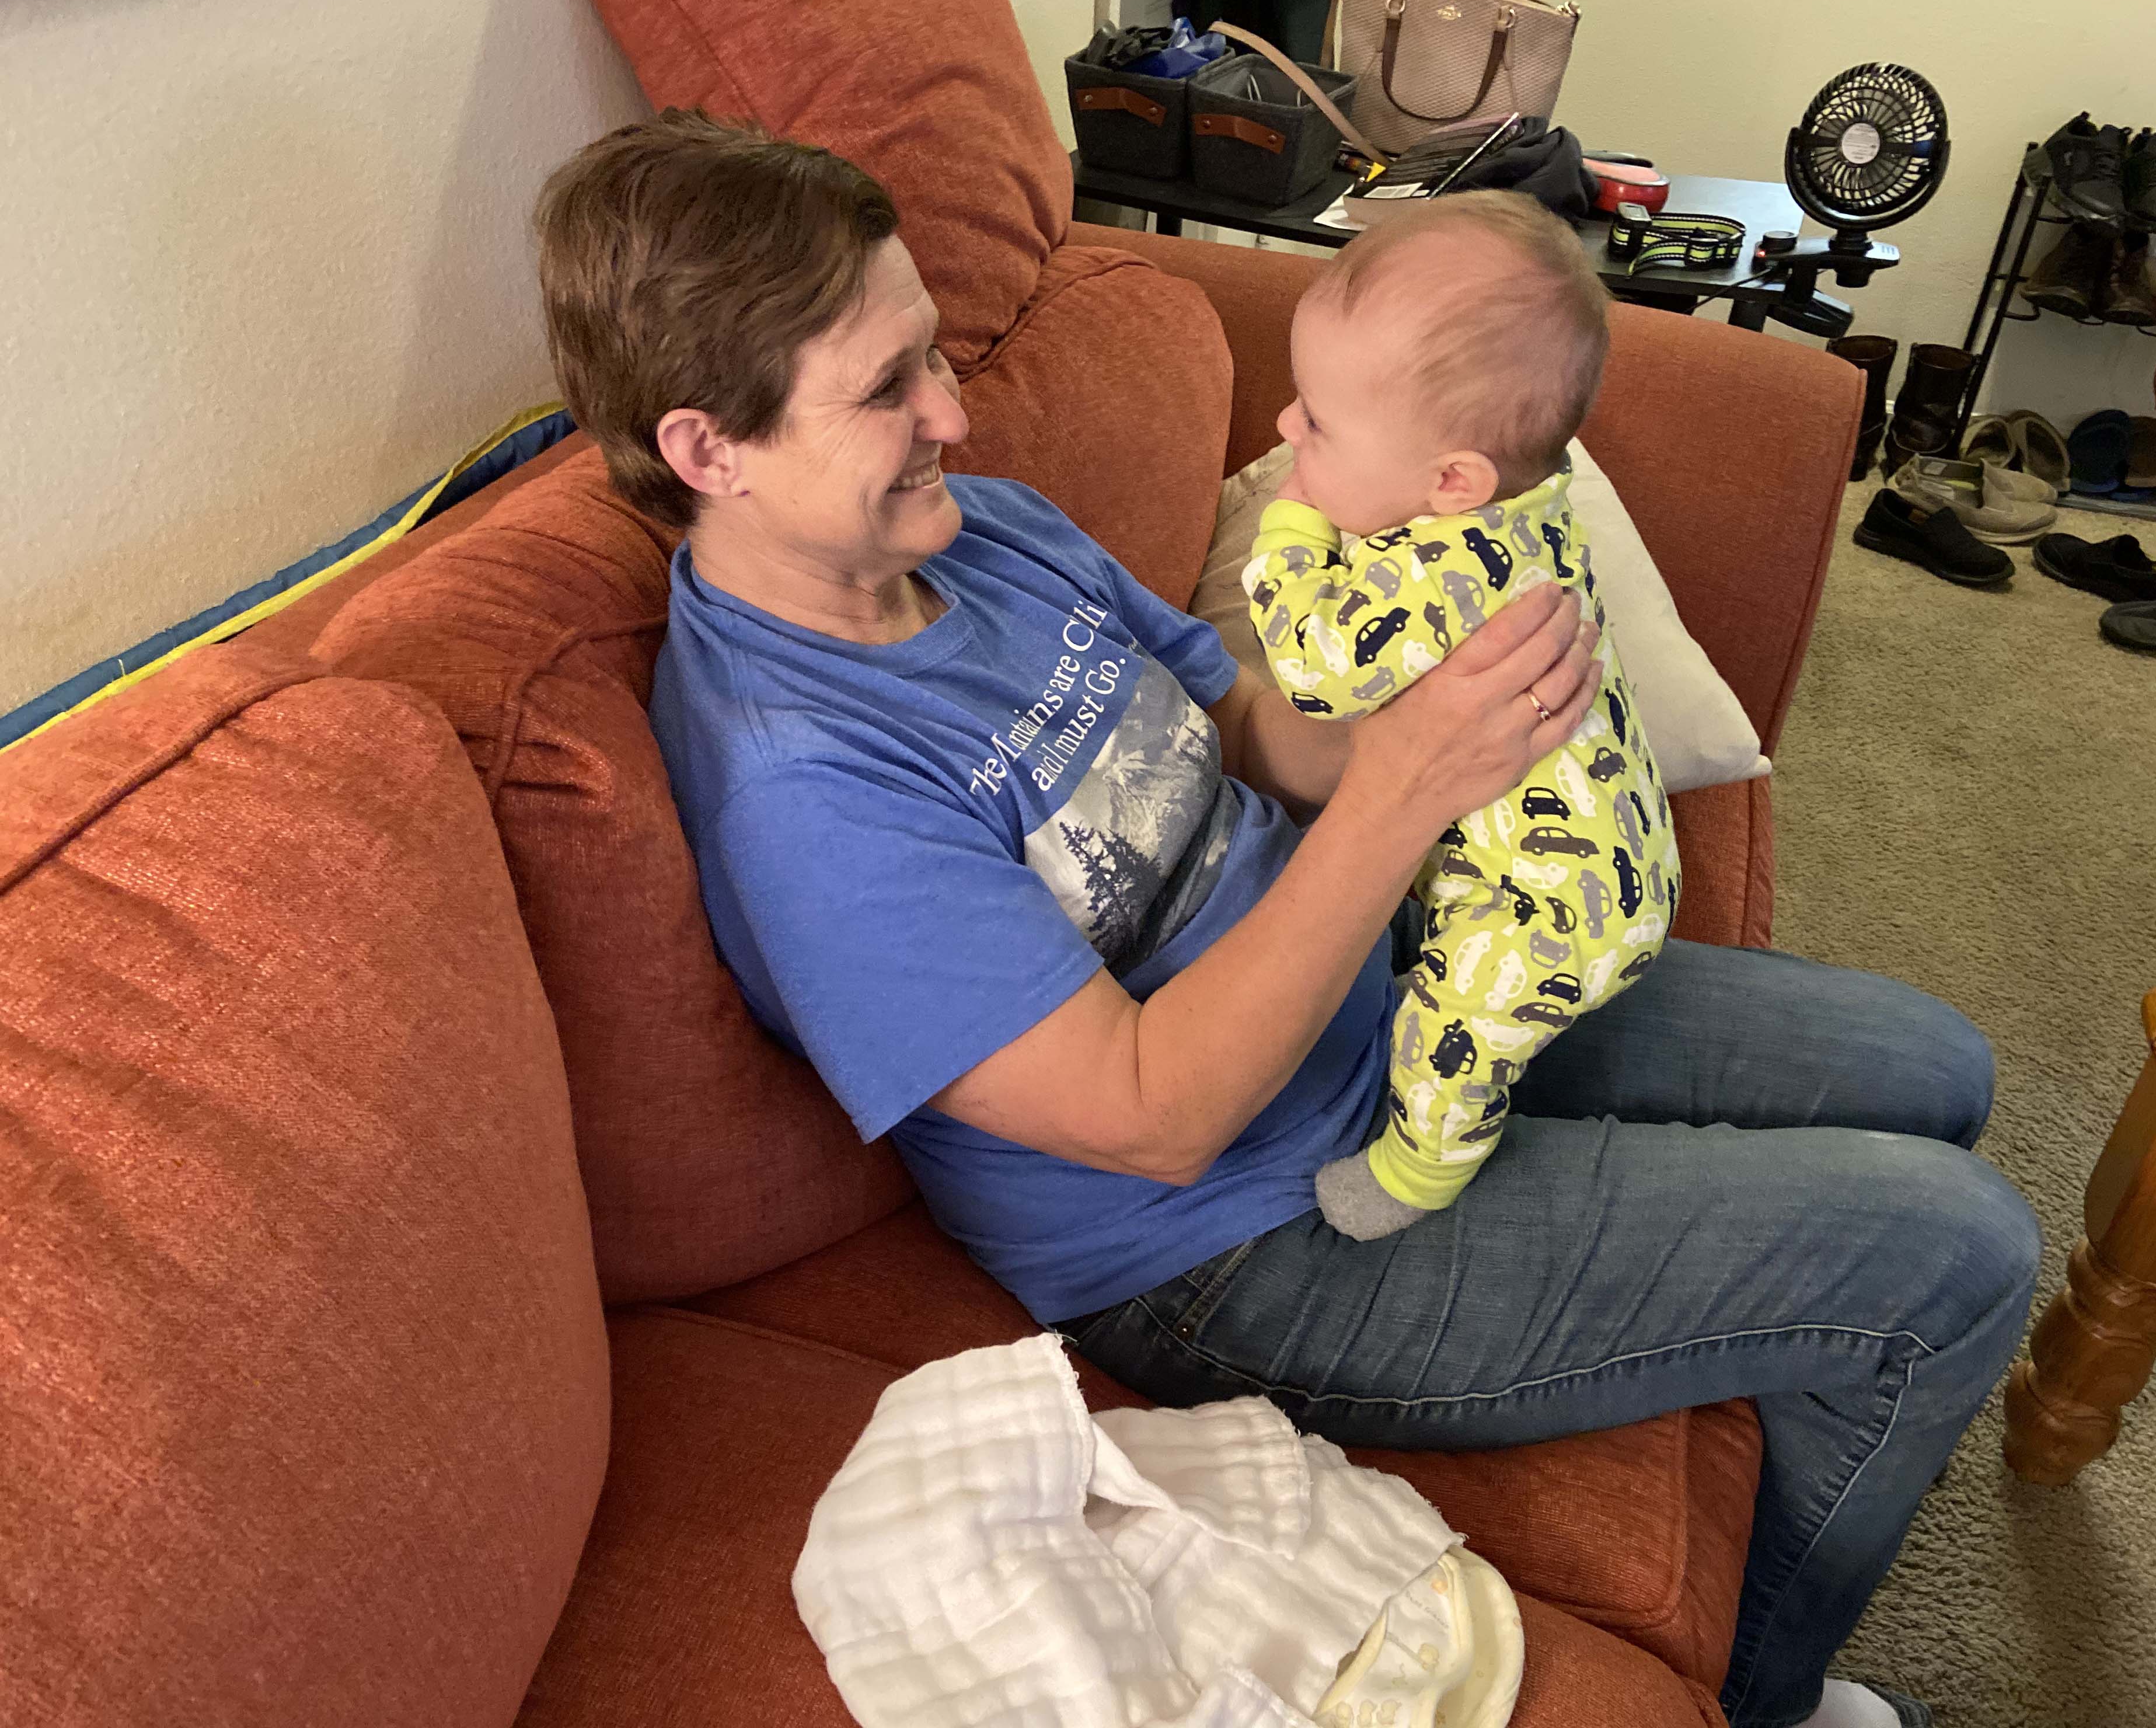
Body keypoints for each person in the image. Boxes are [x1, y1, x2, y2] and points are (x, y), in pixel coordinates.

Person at [533, 109, 2040, 1728]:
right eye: (888, 387)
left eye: (935, 355)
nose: (952, 413)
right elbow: (1150, 1115)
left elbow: (1237, 723)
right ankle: (1773, 1701)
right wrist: (1401, 794)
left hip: (1398, 991)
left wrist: (1456, 723)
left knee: (1934, 1068)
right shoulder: (802, 789)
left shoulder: (988, 537)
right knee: (1957, 1258)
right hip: (1241, 1243)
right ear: (709, 450)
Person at [1245, 191, 1677, 1243]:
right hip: (1617, 853)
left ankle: (1418, 1170)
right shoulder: (1528, 507)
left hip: (1539, 904)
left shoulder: (1439, 574)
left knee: (1449, 1032)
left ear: (1451, 480)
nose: (1286, 428)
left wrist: (1291, 532)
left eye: (1316, 421)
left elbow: (1315, 668)